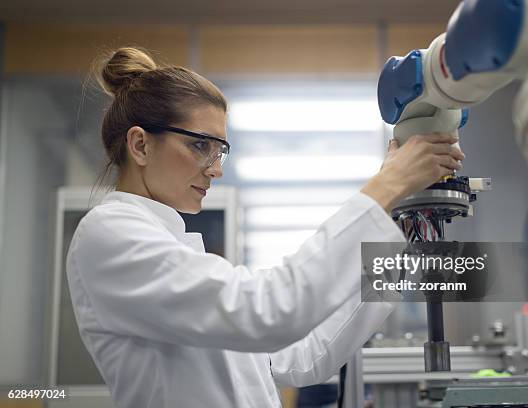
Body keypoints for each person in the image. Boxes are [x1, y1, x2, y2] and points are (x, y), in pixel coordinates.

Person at [66, 47, 465, 408]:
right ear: (140, 146)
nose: (217, 169)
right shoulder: (109, 235)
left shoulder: (176, 248)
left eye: (220, 149)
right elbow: (269, 311)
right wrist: (386, 186)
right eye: (200, 145)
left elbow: (302, 356)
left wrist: (400, 221)